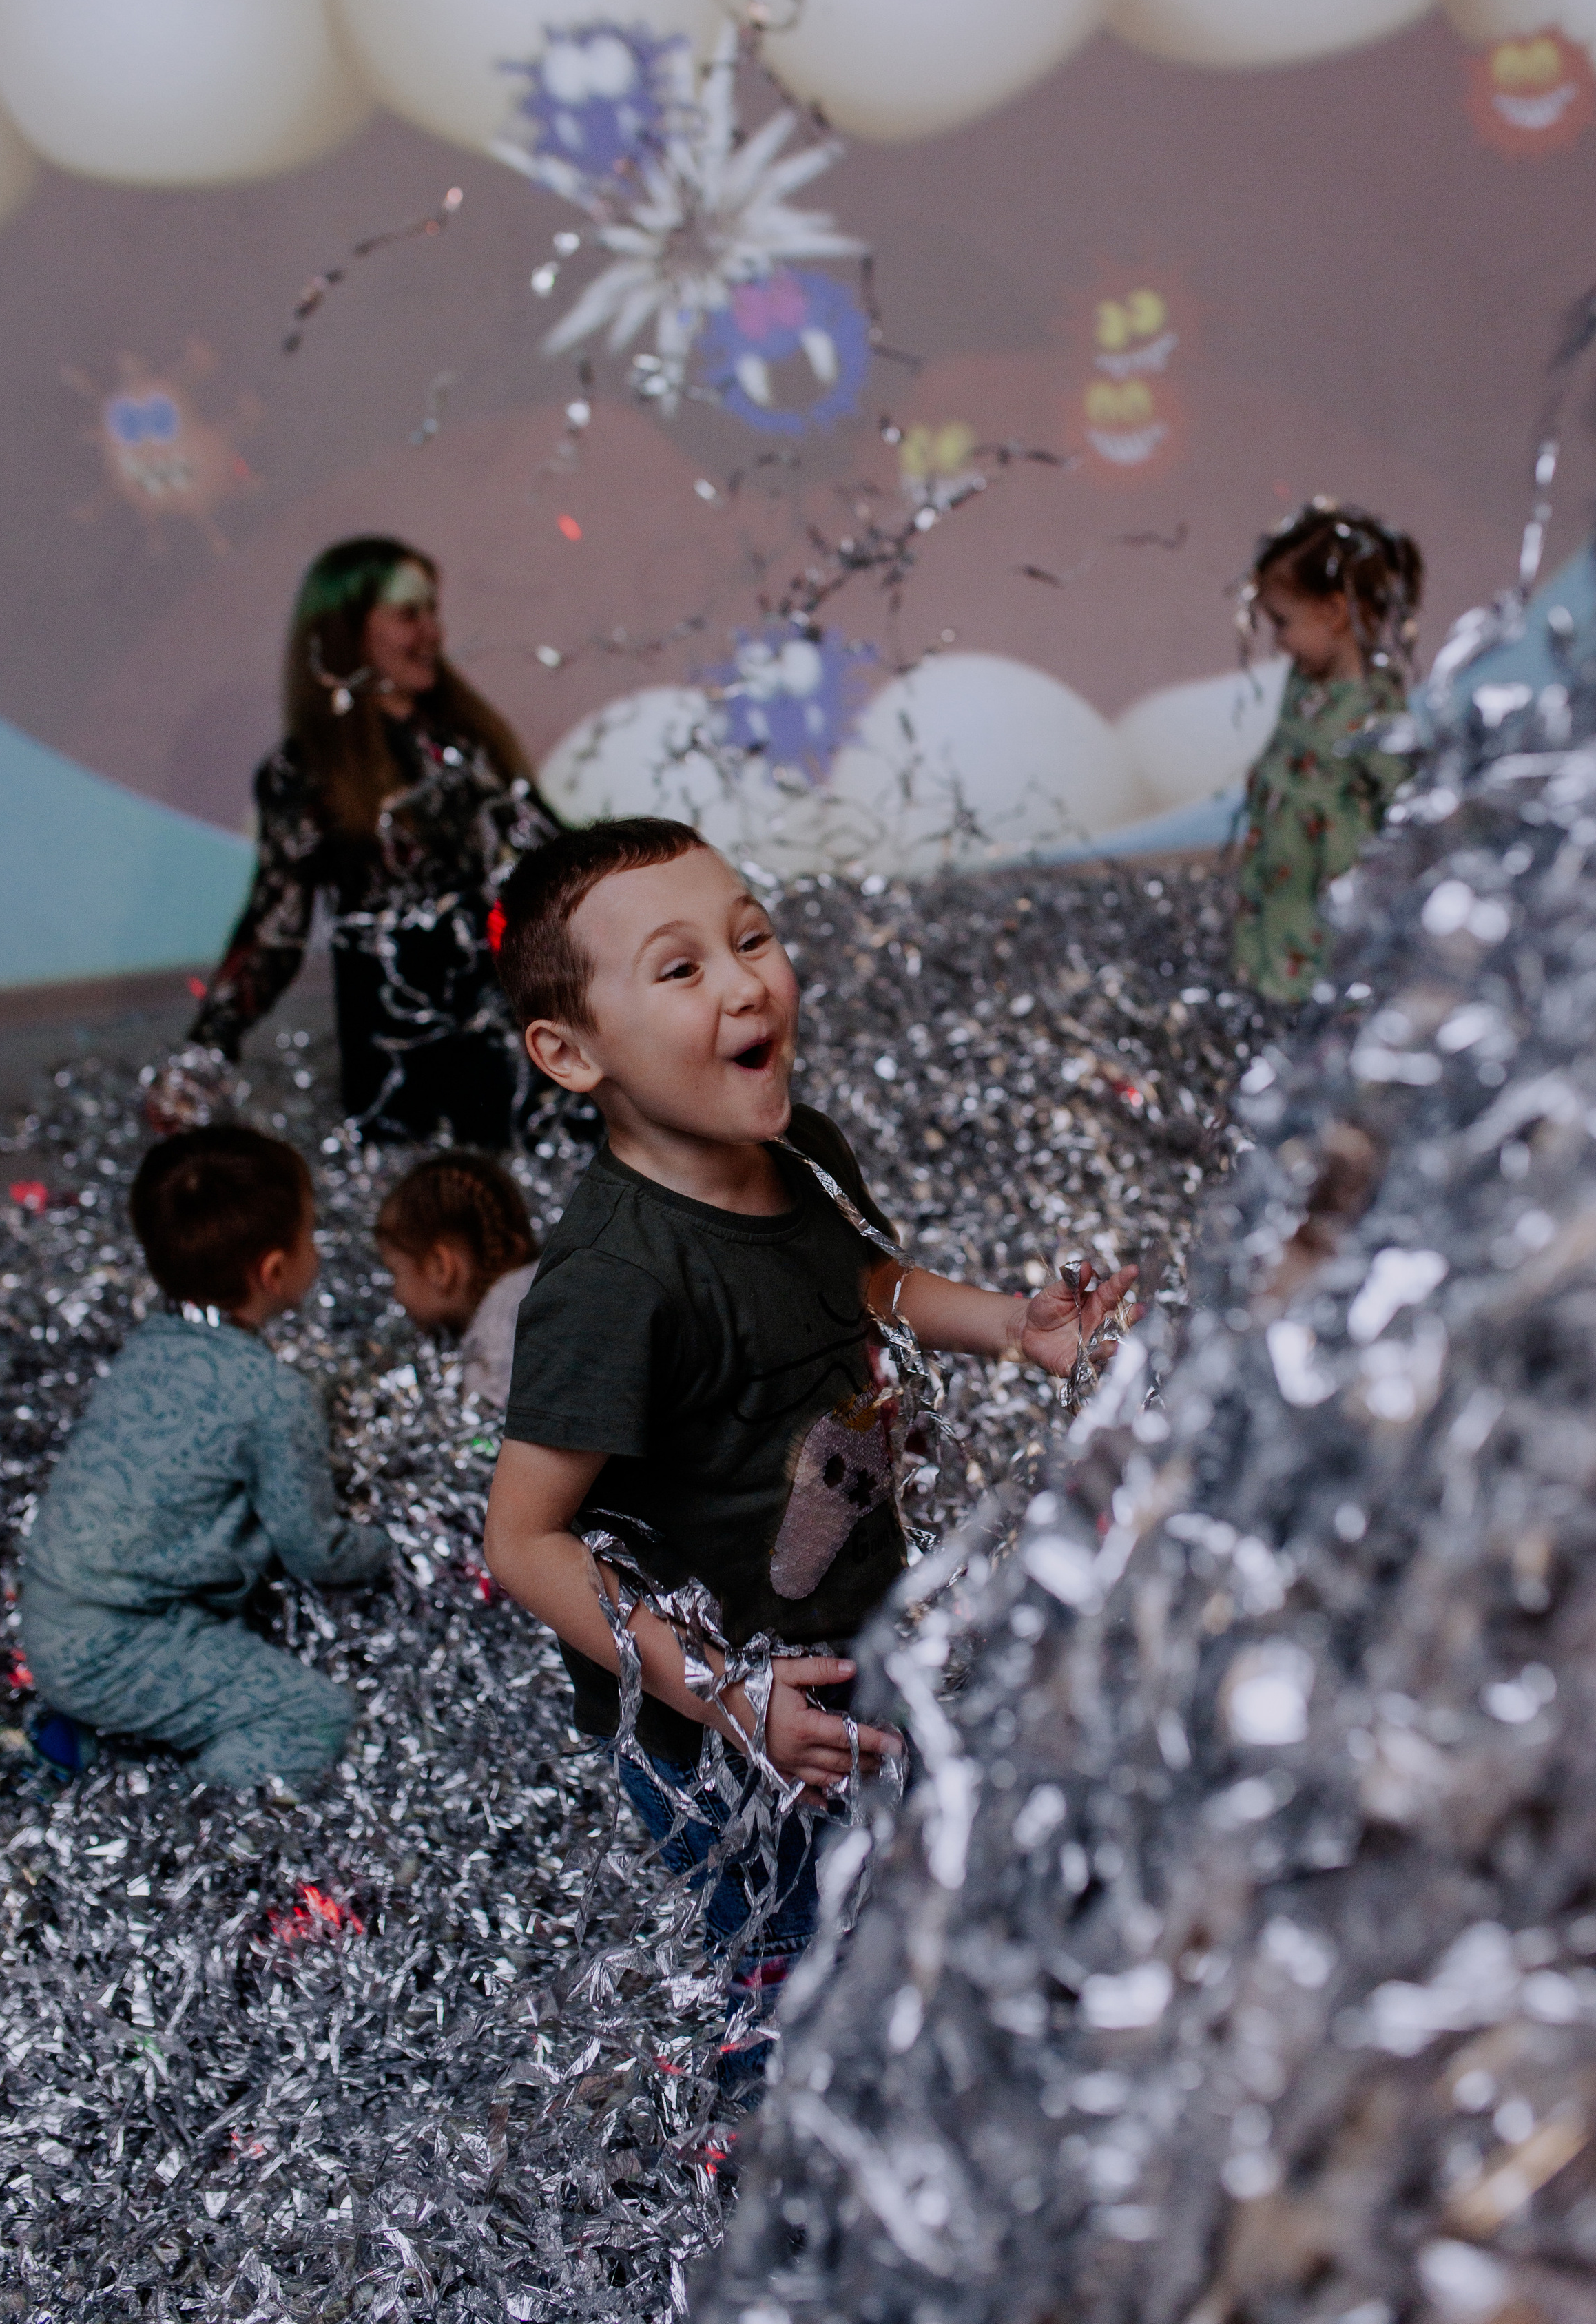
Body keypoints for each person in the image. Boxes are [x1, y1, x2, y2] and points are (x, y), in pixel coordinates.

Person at [481, 817, 1137, 1997]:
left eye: (752, 937)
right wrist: (726, 1692)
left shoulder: (805, 1152)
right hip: (713, 1721)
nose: (745, 983)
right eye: (681, 969)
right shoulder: (614, 1282)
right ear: (573, 1055)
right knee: (792, 1969)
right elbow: (523, 1539)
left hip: (850, 1647)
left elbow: (864, 1285)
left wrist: (1008, 1324)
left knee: (908, 1911)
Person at [19, 1128, 393, 1792]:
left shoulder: (149, 1345)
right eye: (311, 1233)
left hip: (53, 1611)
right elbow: (317, 1551)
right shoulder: (272, 1397)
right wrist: (388, 1546)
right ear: (275, 1271)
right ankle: (189, 1823)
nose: (317, 1247)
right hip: (116, 1644)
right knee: (312, 1715)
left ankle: (102, 1740)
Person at [154, 536, 559, 1148]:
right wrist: (205, 1053)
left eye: (433, 611)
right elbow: (274, 932)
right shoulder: (306, 774)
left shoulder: (466, 745)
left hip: (506, 1047)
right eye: (408, 614)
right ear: (347, 631)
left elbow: (555, 859)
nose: (432, 632)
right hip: (401, 1068)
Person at [1230, 497, 1423, 1004]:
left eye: (1285, 622)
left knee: (1325, 986)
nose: (1280, 642)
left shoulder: (1375, 709)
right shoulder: (1303, 684)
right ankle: (1269, 989)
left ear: (1334, 612)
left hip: (1328, 898)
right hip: (1283, 873)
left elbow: (1407, 800)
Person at [375, 1151, 539, 1416]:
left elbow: (483, 1435)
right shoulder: (536, 1286)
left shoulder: (492, 1340)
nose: (395, 1295)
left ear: (442, 1268)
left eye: (395, 1272)